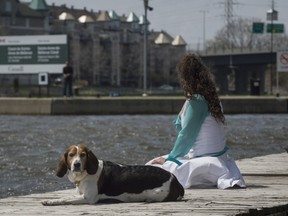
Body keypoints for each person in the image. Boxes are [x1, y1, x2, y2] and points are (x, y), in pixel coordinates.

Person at [146, 53, 246, 189]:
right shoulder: (211, 98)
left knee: (152, 165)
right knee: (158, 163)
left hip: (204, 163)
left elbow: (186, 135)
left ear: (185, 78)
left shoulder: (197, 101)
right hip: (219, 159)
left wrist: (169, 159)